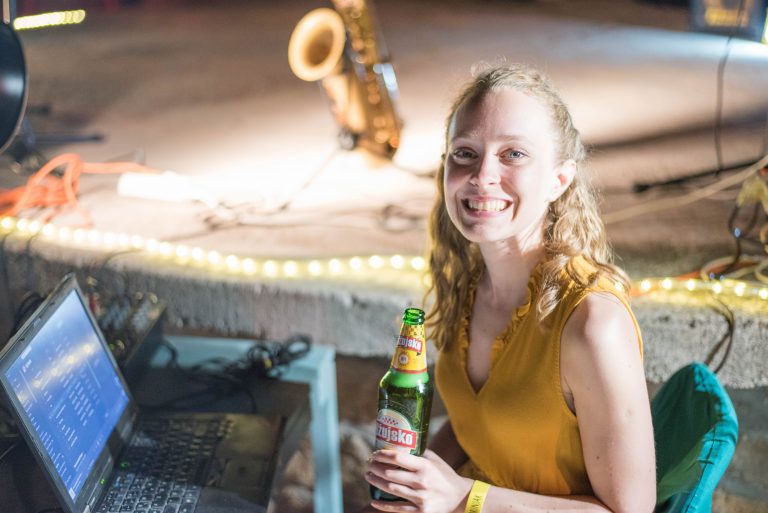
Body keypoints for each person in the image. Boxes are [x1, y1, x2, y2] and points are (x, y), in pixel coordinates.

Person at [363, 63, 656, 513]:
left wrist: (464, 497)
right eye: (465, 153)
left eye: (513, 154)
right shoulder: (462, 283)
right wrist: (410, 484)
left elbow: (629, 511)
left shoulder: (593, 322)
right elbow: (474, 424)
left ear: (559, 179)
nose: (481, 175)